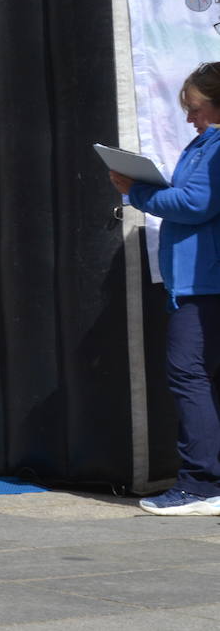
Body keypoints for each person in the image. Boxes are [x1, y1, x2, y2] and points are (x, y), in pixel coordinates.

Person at [109, 62, 220, 516]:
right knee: (201, 378)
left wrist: (136, 192)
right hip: (195, 280)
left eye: (195, 108)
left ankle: (201, 484)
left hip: (205, 283)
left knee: (187, 374)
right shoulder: (205, 145)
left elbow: (196, 203)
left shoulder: (215, 149)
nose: (190, 118)